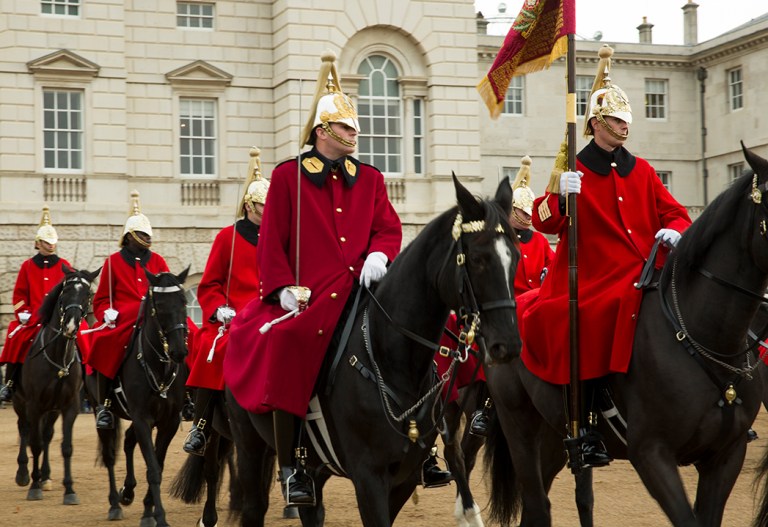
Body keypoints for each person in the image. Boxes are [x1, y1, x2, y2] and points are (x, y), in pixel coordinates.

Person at [224, 51, 402, 506]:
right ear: (322, 132)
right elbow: (271, 243)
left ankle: (428, 442)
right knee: (287, 344)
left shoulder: (371, 179)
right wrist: (281, 288)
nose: (354, 134)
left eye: (355, 127)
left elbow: (387, 226)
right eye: (345, 128)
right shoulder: (287, 178)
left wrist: (380, 253)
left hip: (363, 290)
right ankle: (293, 466)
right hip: (309, 296)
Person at [520, 45, 692, 467]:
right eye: (616, 120)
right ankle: (588, 420)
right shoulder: (573, 170)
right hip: (595, 274)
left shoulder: (644, 170)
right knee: (592, 315)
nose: (623, 126)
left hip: (645, 266)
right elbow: (543, 219)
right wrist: (562, 197)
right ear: (596, 123)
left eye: (626, 120)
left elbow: (677, 213)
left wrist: (675, 229)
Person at [182, 147, 269, 456]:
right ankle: (202, 425)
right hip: (234, 317)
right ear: (249, 205)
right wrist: (219, 309)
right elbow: (209, 284)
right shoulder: (226, 238)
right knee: (213, 349)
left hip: (271, 316)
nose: (268, 208)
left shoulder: (277, 238)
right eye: (263, 203)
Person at [467, 156, 555, 436]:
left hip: (535, 309)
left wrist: (547, 276)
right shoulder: (501, 239)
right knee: (488, 353)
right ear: (511, 212)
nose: (528, 218)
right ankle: (486, 406)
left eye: (530, 214)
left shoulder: (540, 241)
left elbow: (552, 265)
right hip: (506, 308)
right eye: (523, 213)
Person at [86, 191, 170, 430]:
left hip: (154, 315)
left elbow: (166, 290)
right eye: (141, 234)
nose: (146, 238)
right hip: (124, 317)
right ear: (129, 236)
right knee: (103, 341)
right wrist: (105, 314)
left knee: (190, 333)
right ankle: (103, 404)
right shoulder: (113, 261)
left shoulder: (158, 261)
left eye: (147, 234)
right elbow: (101, 300)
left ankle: (187, 396)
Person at [0, 206, 88, 401]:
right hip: (35, 317)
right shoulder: (28, 266)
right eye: (47, 242)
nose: (50, 246)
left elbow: (72, 292)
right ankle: (10, 382)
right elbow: (19, 295)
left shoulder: (65, 265)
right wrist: (22, 311)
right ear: (38, 243)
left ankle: (89, 383)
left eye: (52, 242)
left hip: (60, 317)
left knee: (83, 338)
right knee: (16, 336)